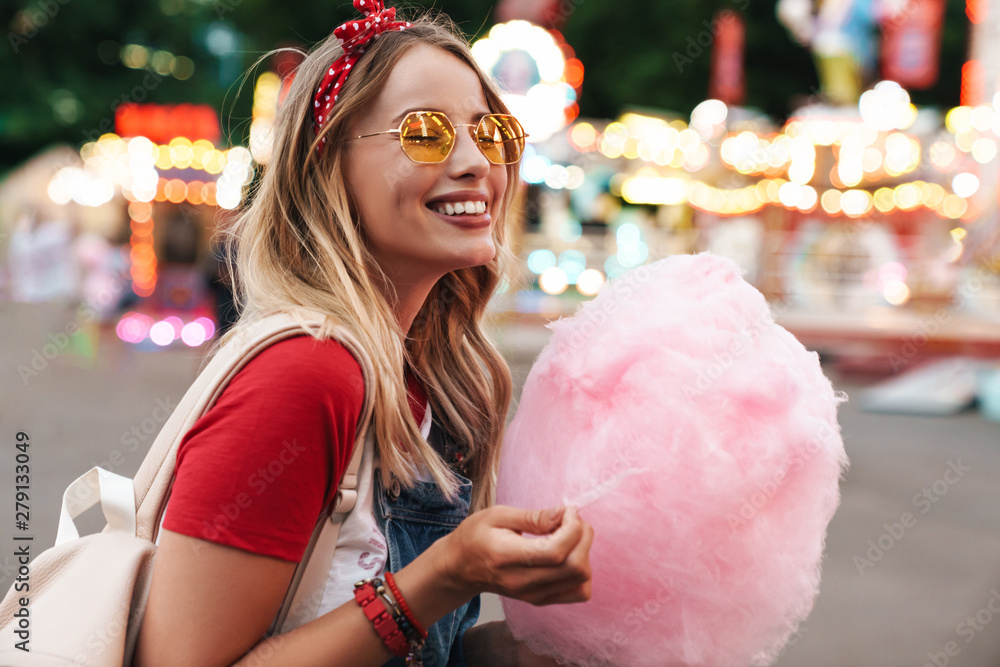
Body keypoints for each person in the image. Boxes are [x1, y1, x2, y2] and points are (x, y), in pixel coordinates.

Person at [133, 2, 594, 666]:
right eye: (426, 132)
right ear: (329, 165)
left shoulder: (450, 387)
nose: (475, 163)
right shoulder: (305, 374)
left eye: (490, 132)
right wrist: (440, 577)